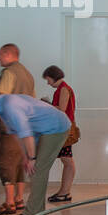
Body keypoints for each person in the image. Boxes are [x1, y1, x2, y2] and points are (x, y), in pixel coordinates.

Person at [0, 88, 69, 215]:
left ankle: (32, 214)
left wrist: (32, 158)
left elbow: (26, 134)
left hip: (56, 127)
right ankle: (37, 212)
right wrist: (25, 157)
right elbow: (17, 135)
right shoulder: (2, 109)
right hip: (42, 130)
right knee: (35, 170)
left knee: (38, 170)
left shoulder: (10, 106)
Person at [0, 43, 35, 215]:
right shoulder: (27, 74)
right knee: (19, 162)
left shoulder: (8, 73)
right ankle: (19, 198)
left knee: (5, 162)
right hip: (25, 125)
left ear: (8, 54)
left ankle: (9, 202)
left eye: (1, 55)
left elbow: (1, 99)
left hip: (11, 125)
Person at [42, 65, 76, 202]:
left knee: (67, 160)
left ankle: (65, 192)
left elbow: (61, 109)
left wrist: (46, 105)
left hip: (64, 128)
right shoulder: (62, 88)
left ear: (53, 76)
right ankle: (64, 191)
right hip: (63, 127)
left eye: (48, 79)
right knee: (66, 159)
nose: (48, 82)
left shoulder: (63, 89)